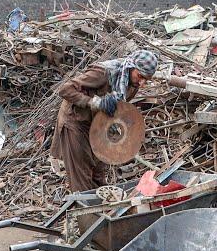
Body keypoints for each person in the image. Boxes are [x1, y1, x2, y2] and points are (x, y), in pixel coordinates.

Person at [51, 49, 158, 193]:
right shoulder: (104, 73)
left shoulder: (132, 84)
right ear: (131, 67)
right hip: (76, 120)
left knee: (99, 169)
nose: (142, 82)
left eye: (147, 79)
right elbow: (65, 90)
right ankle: (85, 210)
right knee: (81, 172)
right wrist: (95, 102)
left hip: (99, 122)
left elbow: (120, 107)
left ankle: (101, 204)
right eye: (140, 76)